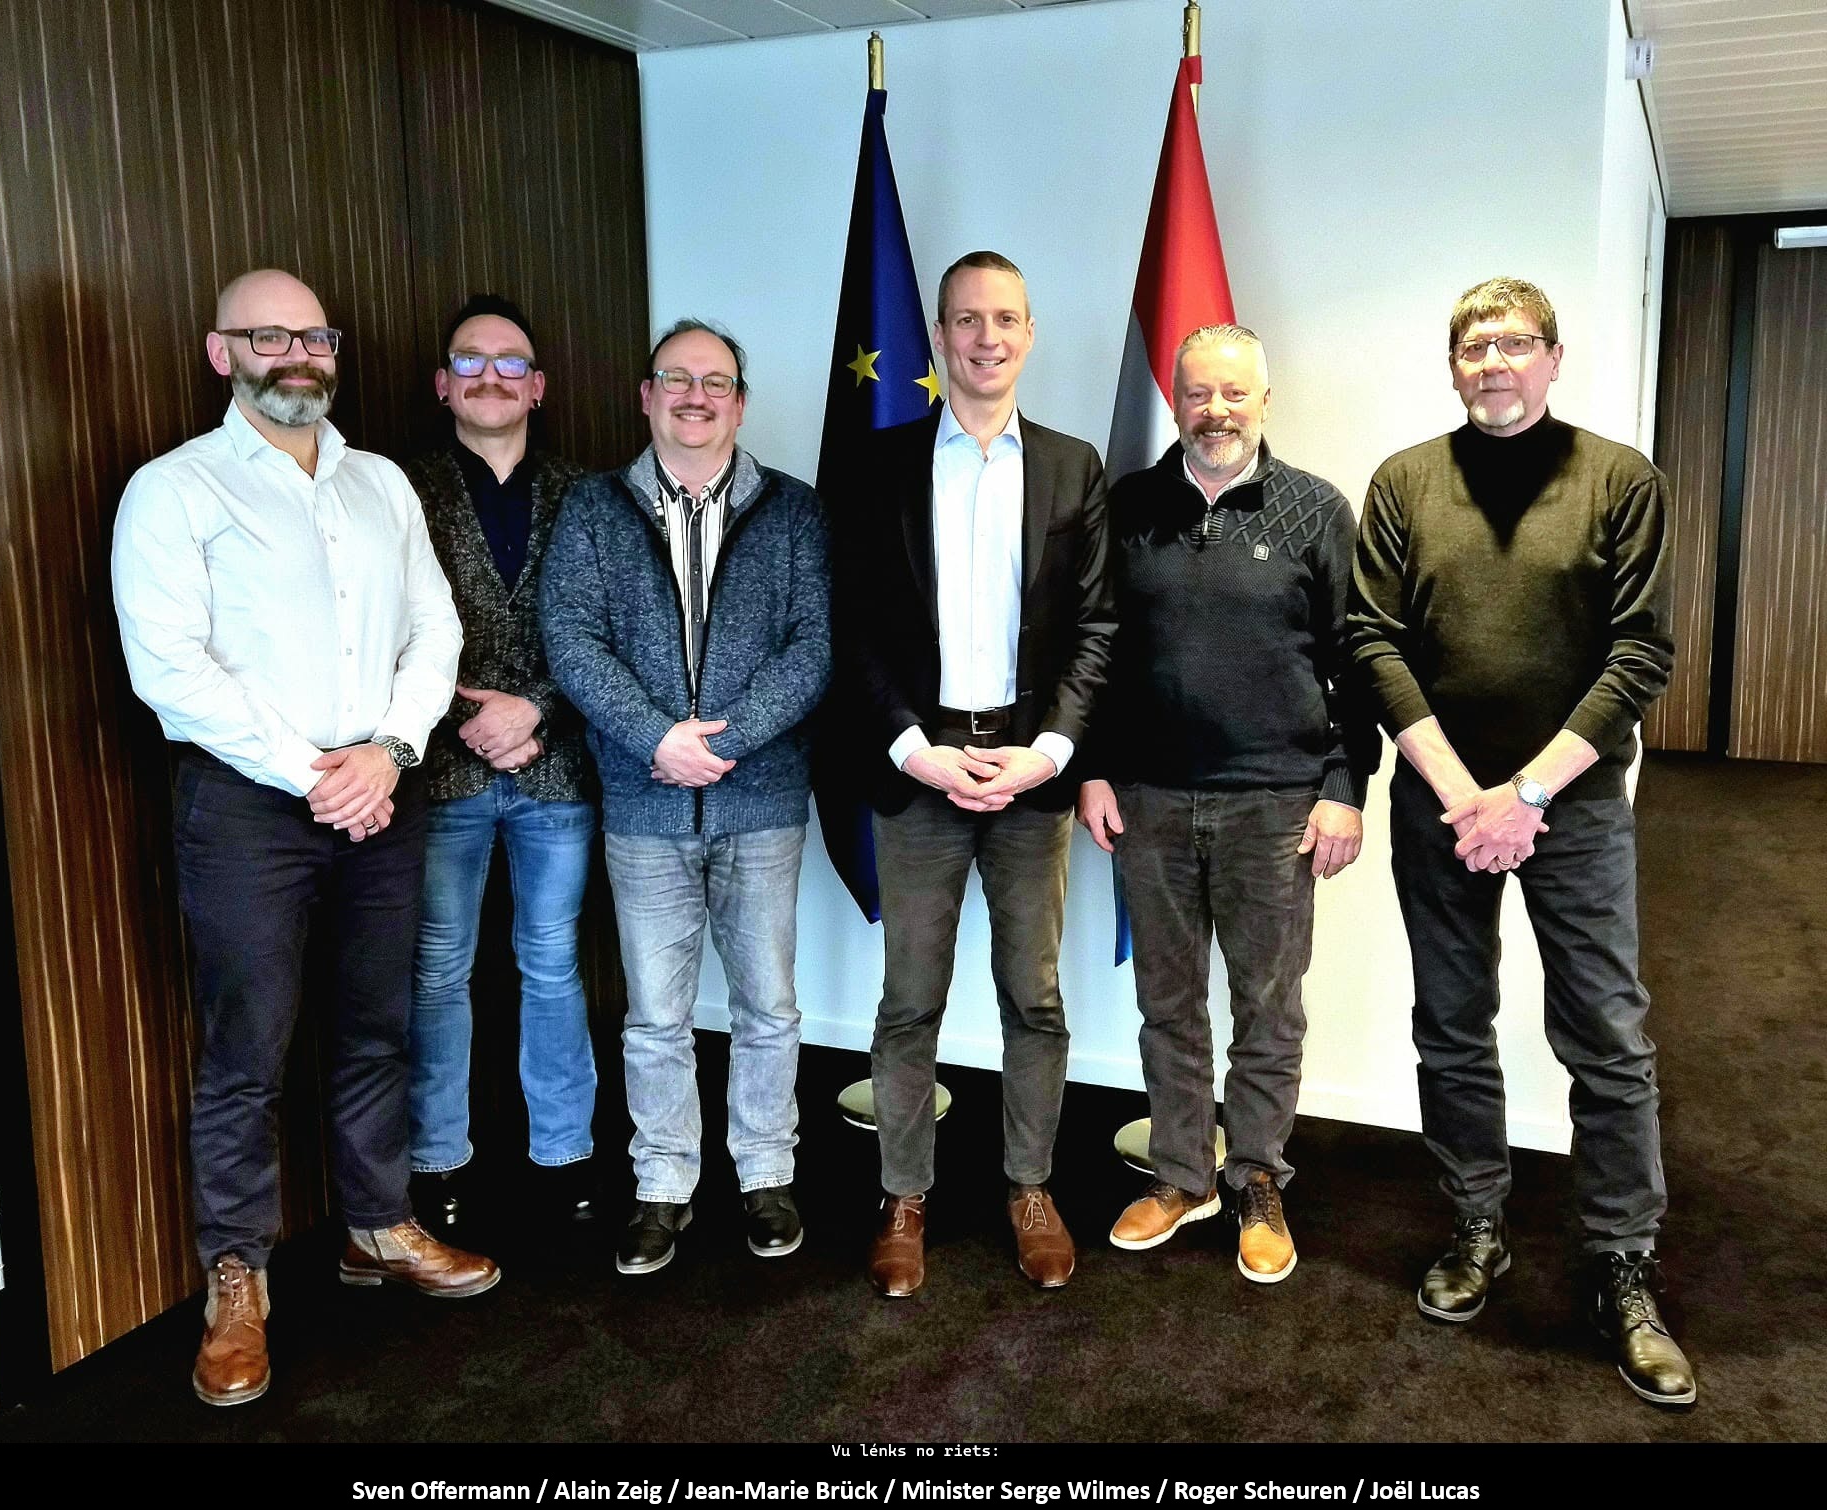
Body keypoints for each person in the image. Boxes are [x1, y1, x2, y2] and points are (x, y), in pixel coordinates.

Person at [111, 269, 498, 1409]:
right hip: (248, 807)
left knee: (378, 1026)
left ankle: (377, 1226)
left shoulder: (380, 483)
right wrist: (318, 775)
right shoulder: (172, 491)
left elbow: (435, 627)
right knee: (249, 1049)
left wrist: (389, 751)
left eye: (315, 336)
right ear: (220, 351)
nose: (297, 355)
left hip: (381, 789)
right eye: (268, 335)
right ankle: (237, 1281)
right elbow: (170, 669)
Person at [1349, 276, 1694, 1406]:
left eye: (1514, 342)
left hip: (1573, 804)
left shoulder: (1619, 481)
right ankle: (1476, 1225)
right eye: (1472, 346)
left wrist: (1528, 795)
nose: (1492, 361)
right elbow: (1372, 641)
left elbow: (1641, 653)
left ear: (1552, 358)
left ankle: (1621, 1261)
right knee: (1451, 1023)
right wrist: (1465, 795)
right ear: (1452, 366)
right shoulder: (1405, 482)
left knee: (1606, 1034)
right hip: (1442, 802)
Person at [840, 251, 1113, 1298]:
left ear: (1029, 334)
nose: (986, 338)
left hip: (1029, 770)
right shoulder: (879, 465)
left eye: (1004, 319)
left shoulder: (1073, 466)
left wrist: (1048, 752)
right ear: (941, 336)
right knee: (910, 998)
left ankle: (1028, 1187)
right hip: (920, 766)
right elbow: (855, 628)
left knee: (1032, 997)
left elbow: (1097, 627)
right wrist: (914, 748)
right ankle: (903, 1195)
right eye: (966, 320)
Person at [1078, 324, 1376, 1283]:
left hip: (1276, 807)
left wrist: (1343, 787)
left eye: (1234, 394)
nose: (1216, 411)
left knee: (1268, 1007)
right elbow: (1095, 649)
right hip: (1149, 801)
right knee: (1167, 1003)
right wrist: (1092, 769)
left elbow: (1356, 662)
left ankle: (1255, 1179)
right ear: (1176, 400)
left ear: (1264, 400)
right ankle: (1181, 1175)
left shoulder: (1316, 510)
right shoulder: (1127, 507)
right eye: (1199, 394)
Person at [541, 319, 830, 1276]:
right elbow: (572, 641)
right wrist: (657, 739)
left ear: (740, 404)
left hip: (763, 800)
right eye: (677, 378)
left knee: (769, 1005)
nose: (695, 396)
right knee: (655, 1016)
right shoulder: (593, 510)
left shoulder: (794, 511)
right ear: (647, 395)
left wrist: (725, 744)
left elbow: (814, 648)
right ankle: (663, 1183)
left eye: (715, 382)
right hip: (644, 802)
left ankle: (766, 1174)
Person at [404, 294, 598, 1234]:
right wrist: (469, 719)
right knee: (438, 970)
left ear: (538, 386)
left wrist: (537, 713)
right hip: (440, 772)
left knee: (552, 964)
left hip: (555, 772)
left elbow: (609, 632)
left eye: (510, 361)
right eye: (470, 361)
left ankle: (564, 1156)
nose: (491, 376)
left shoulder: (587, 494)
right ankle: (436, 1161)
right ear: (443, 384)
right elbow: (378, 631)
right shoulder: (394, 489)